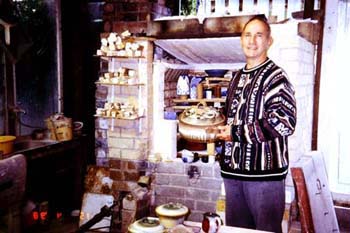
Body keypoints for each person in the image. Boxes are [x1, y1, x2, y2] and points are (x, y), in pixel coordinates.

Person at [216, 15, 297, 233]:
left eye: (259, 35)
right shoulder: (236, 77)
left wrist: (235, 134)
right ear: (241, 40)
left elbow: (284, 122)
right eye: (247, 35)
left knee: (265, 231)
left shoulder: (275, 77)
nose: (252, 41)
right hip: (233, 175)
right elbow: (230, 116)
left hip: (264, 177)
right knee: (236, 231)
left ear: (269, 41)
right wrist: (213, 121)